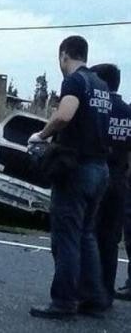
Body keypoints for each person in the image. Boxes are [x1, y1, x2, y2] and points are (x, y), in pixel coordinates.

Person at [28, 36, 111, 319]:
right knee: (86, 236)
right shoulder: (101, 85)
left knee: (67, 239)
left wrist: (41, 135)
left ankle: (63, 302)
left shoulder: (75, 81)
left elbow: (64, 115)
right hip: (101, 168)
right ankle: (93, 298)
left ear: (64, 55)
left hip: (77, 169)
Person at [90, 64, 131, 301]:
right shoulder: (127, 111)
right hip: (120, 179)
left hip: (98, 173)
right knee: (111, 238)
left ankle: (89, 291)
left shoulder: (100, 109)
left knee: (91, 233)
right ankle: (106, 291)